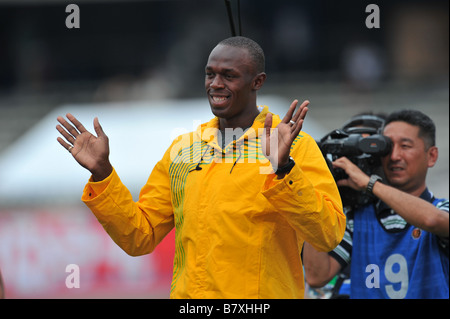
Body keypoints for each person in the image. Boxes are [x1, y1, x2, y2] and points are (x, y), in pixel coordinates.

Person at [56, 36, 346, 298]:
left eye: (229, 76)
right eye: (210, 74)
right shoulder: (184, 149)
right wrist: (103, 173)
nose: (216, 84)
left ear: (257, 81)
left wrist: (283, 169)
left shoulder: (294, 145)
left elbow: (328, 234)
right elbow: (139, 237)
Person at [303, 109, 449, 299]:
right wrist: (316, 186)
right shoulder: (357, 218)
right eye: (387, 147)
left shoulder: (440, 209)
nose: (394, 156)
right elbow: (317, 276)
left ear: (432, 156)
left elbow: (432, 220)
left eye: (405, 146)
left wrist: (370, 184)